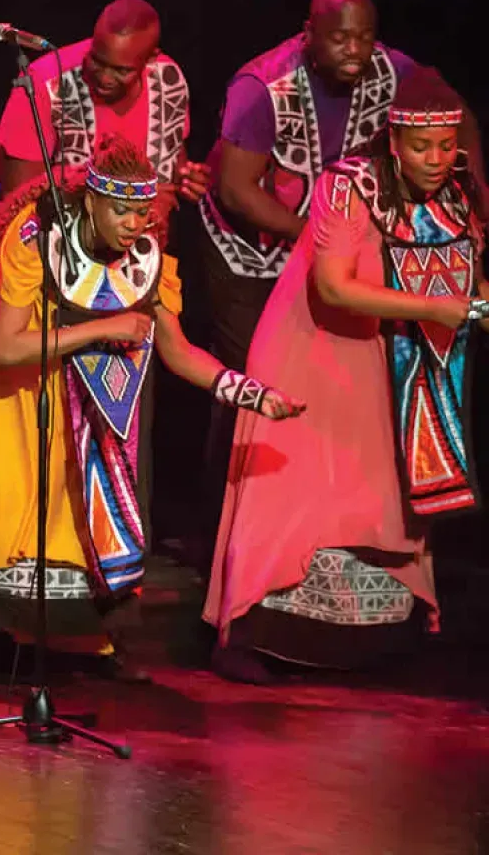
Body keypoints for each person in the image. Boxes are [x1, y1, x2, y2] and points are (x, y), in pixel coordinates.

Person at [0, 134, 303, 695]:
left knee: (76, 489)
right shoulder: (34, 236)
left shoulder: (145, 254)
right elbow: (7, 347)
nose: (136, 225)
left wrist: (251, 393)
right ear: (90, 202)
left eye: (143, 212)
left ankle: (92, 639)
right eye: (123, 212)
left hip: (70, 355)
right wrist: (105, 330)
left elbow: (175, 351)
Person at [206, 69, 485, 685]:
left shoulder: (453, 193)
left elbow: (464, 271)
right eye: (421, 147)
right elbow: (333, 285)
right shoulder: (348, 185)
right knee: (291, 492)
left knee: (375, 492)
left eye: (445, 146)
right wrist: (437, 309)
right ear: (393, 141)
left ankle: (378, 639)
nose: (435, 160)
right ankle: (250, 631)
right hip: (311, 348)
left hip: (386, 358)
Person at [194, 0, 422, 567]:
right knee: (254, 380)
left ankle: (317, 530)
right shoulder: (261, 86)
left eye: (365, 37)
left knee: (333, 383)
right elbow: (237, 189)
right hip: (251, 254)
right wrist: (318, 238)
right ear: (309, 32)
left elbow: (454, 116)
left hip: (334, 255)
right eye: (341, 37)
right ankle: (226, 542)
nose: (355, 50)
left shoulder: (394, 72)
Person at [0, 0, 209, 206]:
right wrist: (134, 195)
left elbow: (170, 162)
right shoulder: (44, 83)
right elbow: (17, 199)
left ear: (150, 58)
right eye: (96, 60)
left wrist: (186, 179)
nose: (104, 78)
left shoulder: (167, 81)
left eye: (122, 70)